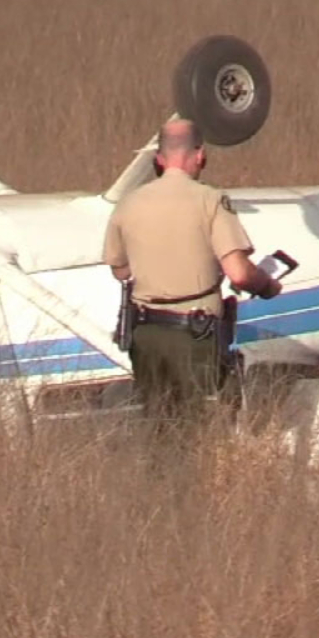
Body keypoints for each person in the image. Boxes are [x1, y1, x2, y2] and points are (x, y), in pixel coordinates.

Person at [102, 118, 283, 441]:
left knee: (159, 429)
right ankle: (195, 489)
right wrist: (268, 286)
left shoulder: (128, 204)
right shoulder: (210, 200)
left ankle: (162, 487)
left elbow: (120, 270)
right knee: (200, 431)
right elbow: (239, 273)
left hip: (146, 335)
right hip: (194, 336)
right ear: (200, 155)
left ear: (158, 159)